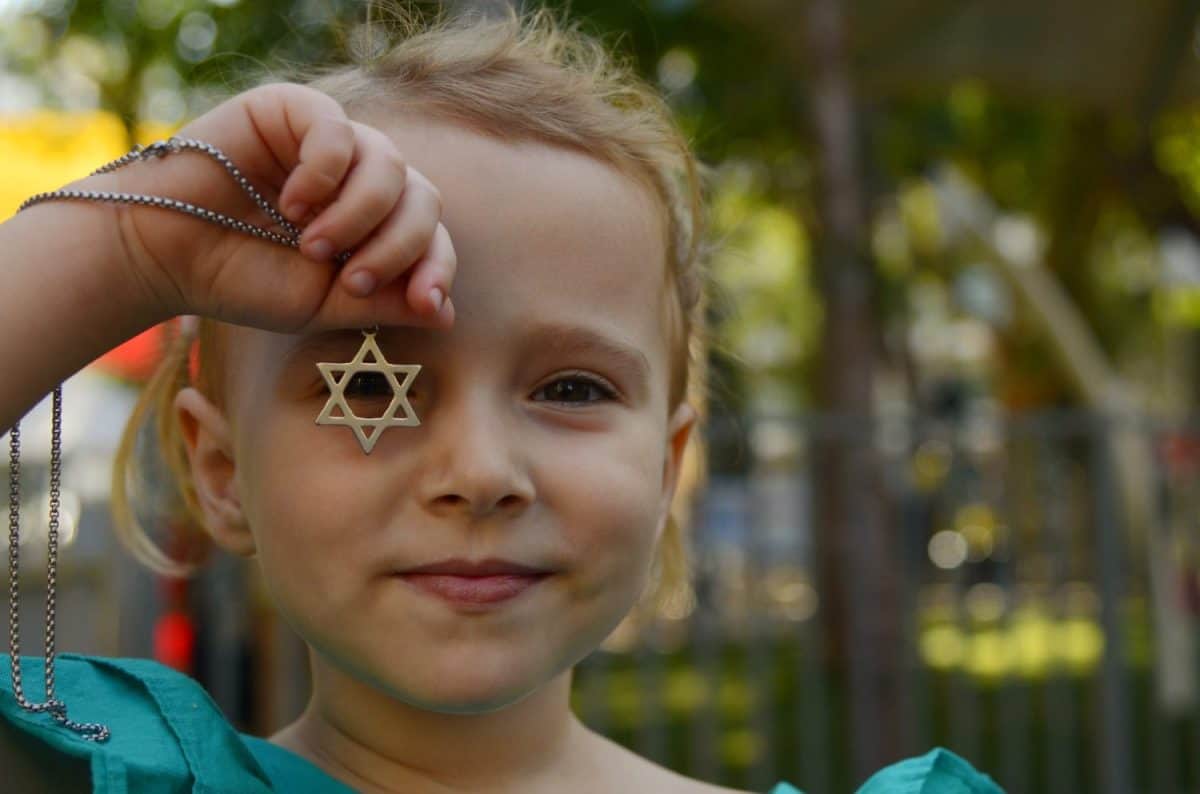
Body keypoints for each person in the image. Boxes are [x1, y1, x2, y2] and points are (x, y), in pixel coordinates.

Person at [0, 5, 1004, 793]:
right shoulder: (97, 779)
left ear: (665, 465)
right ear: (220, 472)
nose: (479, 472)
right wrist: (128, 249)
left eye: (571, 387)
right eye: (368, 383)